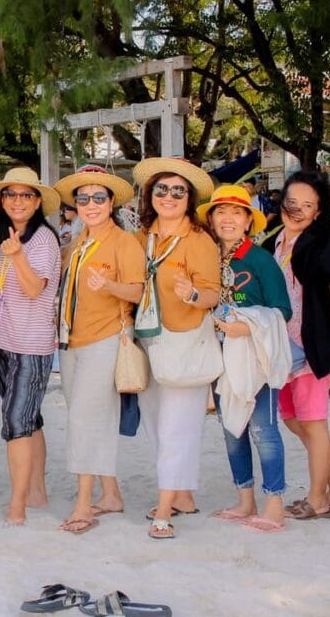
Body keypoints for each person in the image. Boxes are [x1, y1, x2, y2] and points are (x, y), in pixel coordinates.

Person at [131, 157, 222, 540]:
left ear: (190, 198)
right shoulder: (141, 237)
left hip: (184, 340)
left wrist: (193, 294)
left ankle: (164, 510)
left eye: (178, 191)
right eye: (162, 189)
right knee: (155, 423)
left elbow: (213, 295)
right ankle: (182, 496)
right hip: (147, 339)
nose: (169, 197)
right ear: (150, 194)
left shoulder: (199, 241)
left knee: (177, 428)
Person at [52, 165, 144, 535]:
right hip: (71, 340)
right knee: (92, 417)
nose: (91, 204)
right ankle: (111, 494)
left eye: (98, 198)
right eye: (83, 198)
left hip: (105, 338)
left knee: (83, 420)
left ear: (111, 203)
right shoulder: (77, 243)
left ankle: (83, 504)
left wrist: (108, 286)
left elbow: (137, 291)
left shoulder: (124, 242)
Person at [198, 185, 292, 533]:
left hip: (256, 357)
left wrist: (248, 326)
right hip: (220, 354)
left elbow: (282, 310)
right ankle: (245, 499)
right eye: (221, 212)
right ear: (211, 219)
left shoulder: (260, 260)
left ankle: (275, 505)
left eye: (236, 212)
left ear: (248, 221)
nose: (228, 219)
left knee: (263, 429)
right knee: (231, 429)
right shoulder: (207, 259)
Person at [271, 171, 330, 520]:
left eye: (307, 205)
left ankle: (318, 498)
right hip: (280, 350)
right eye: (292, 202)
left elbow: (329, 269)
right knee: (294, 421)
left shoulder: (314, 241)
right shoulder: (275, 241)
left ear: (318, 212)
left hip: (307, 349)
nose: (297, 210)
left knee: (314, 424)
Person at [0, 168, 61, 526]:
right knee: (30, 419)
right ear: (2, 200)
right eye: (11, 194)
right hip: (5, 341)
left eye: (26, 195)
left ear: (38, 201)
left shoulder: (42, 239)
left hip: (31, 344)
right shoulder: (8, 236)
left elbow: (34, 289)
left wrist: (17, 256)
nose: (18, 201)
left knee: (16, 422)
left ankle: (18, 505)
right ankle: (36, 492)